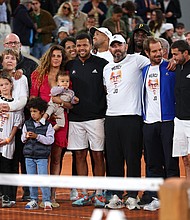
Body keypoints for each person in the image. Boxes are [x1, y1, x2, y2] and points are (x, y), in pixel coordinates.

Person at [103, 34, 149, 210]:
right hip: (111, 118)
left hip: (132, 117)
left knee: (133, 158)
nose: (117, 49)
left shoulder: (137, 60)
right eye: (113, 46)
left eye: (119, 45)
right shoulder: (106, 68)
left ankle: (132, 195)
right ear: (110, 48)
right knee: (113, 159)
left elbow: (156, 64)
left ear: (125, 45)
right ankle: (115, 195)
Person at [65, 33, 108, 207]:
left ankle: (99, 193)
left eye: (84, 45)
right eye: (78, 46)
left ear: (91, 45)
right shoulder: (69, 65)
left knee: (98, 155)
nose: (81, 49)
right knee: (79, 155)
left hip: (97, 118)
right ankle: (83, 193)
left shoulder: (102, 64)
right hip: (76, 119)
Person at [141, 36, 180, 211]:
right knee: (152, 163)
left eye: (160, 50)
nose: (159, 53)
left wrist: (174, 59)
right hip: (149, 123)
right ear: (147, 53)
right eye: (154, 51)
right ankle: (155, 197)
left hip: (168, 121)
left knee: (170, 162)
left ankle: (173, 198)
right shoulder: (143, 71)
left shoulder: (172, 67)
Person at [30, 44, 71, 208]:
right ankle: (41, 195)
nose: (56, 58)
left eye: (59, 56)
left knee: (55, 158)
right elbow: (33, 99)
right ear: (49, 57)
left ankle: (51, 195)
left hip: (60, 122)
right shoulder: (37, 75)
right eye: (53, 55)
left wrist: (59, 103)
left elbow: (70, 104)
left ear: (62, 58)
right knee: (41, 158)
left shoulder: (66, 76)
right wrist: (43, 115)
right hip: (42, 121)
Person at [3, 33, 38, 202]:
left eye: (14, 43)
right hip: (4, 125)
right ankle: (7, 194)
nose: (11, 45)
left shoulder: (30, 65)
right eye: (8, 43)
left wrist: (8, 107)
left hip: (24, 122)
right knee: (6, 160)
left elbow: (27, 97)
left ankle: (28, 191)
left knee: (24, 159)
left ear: (20, 44)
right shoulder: (1, 72)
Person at [0, 49, 29, 203]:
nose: (9, 60)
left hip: (16, 126)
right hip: (2, 127)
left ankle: (11, 194)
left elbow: (23, 100)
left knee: (13, 161)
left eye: (13, 58)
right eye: (7, 58)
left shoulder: (21, 77)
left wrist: (8, 107)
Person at [21, 97, 54, 210]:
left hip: (42, 157)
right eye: (31, 111)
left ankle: (47, 201)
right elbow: (22, 139)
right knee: (31, 178)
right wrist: (26, 137)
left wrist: (37, 137)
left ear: (42, 112)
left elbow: (50, 140)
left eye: (35, 111)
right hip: (29, 156)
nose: (32, 114)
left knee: (43, 178)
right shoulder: (27, 124)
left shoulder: (48, 125)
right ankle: (33, 200)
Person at [0, 71, 22, 208]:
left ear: (11, 85)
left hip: (8, 142)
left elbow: (16, 124)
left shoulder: (16, 103)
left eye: (6, 84)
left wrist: (9, 139)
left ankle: (8, 196)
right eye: (1, 85)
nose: (4, 87)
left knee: (6, 168)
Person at [171, 40, 190, 180]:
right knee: (185, 160)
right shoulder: (176, 67)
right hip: (179, 120)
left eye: (176, 54)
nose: (174, 58)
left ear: (186, 53)